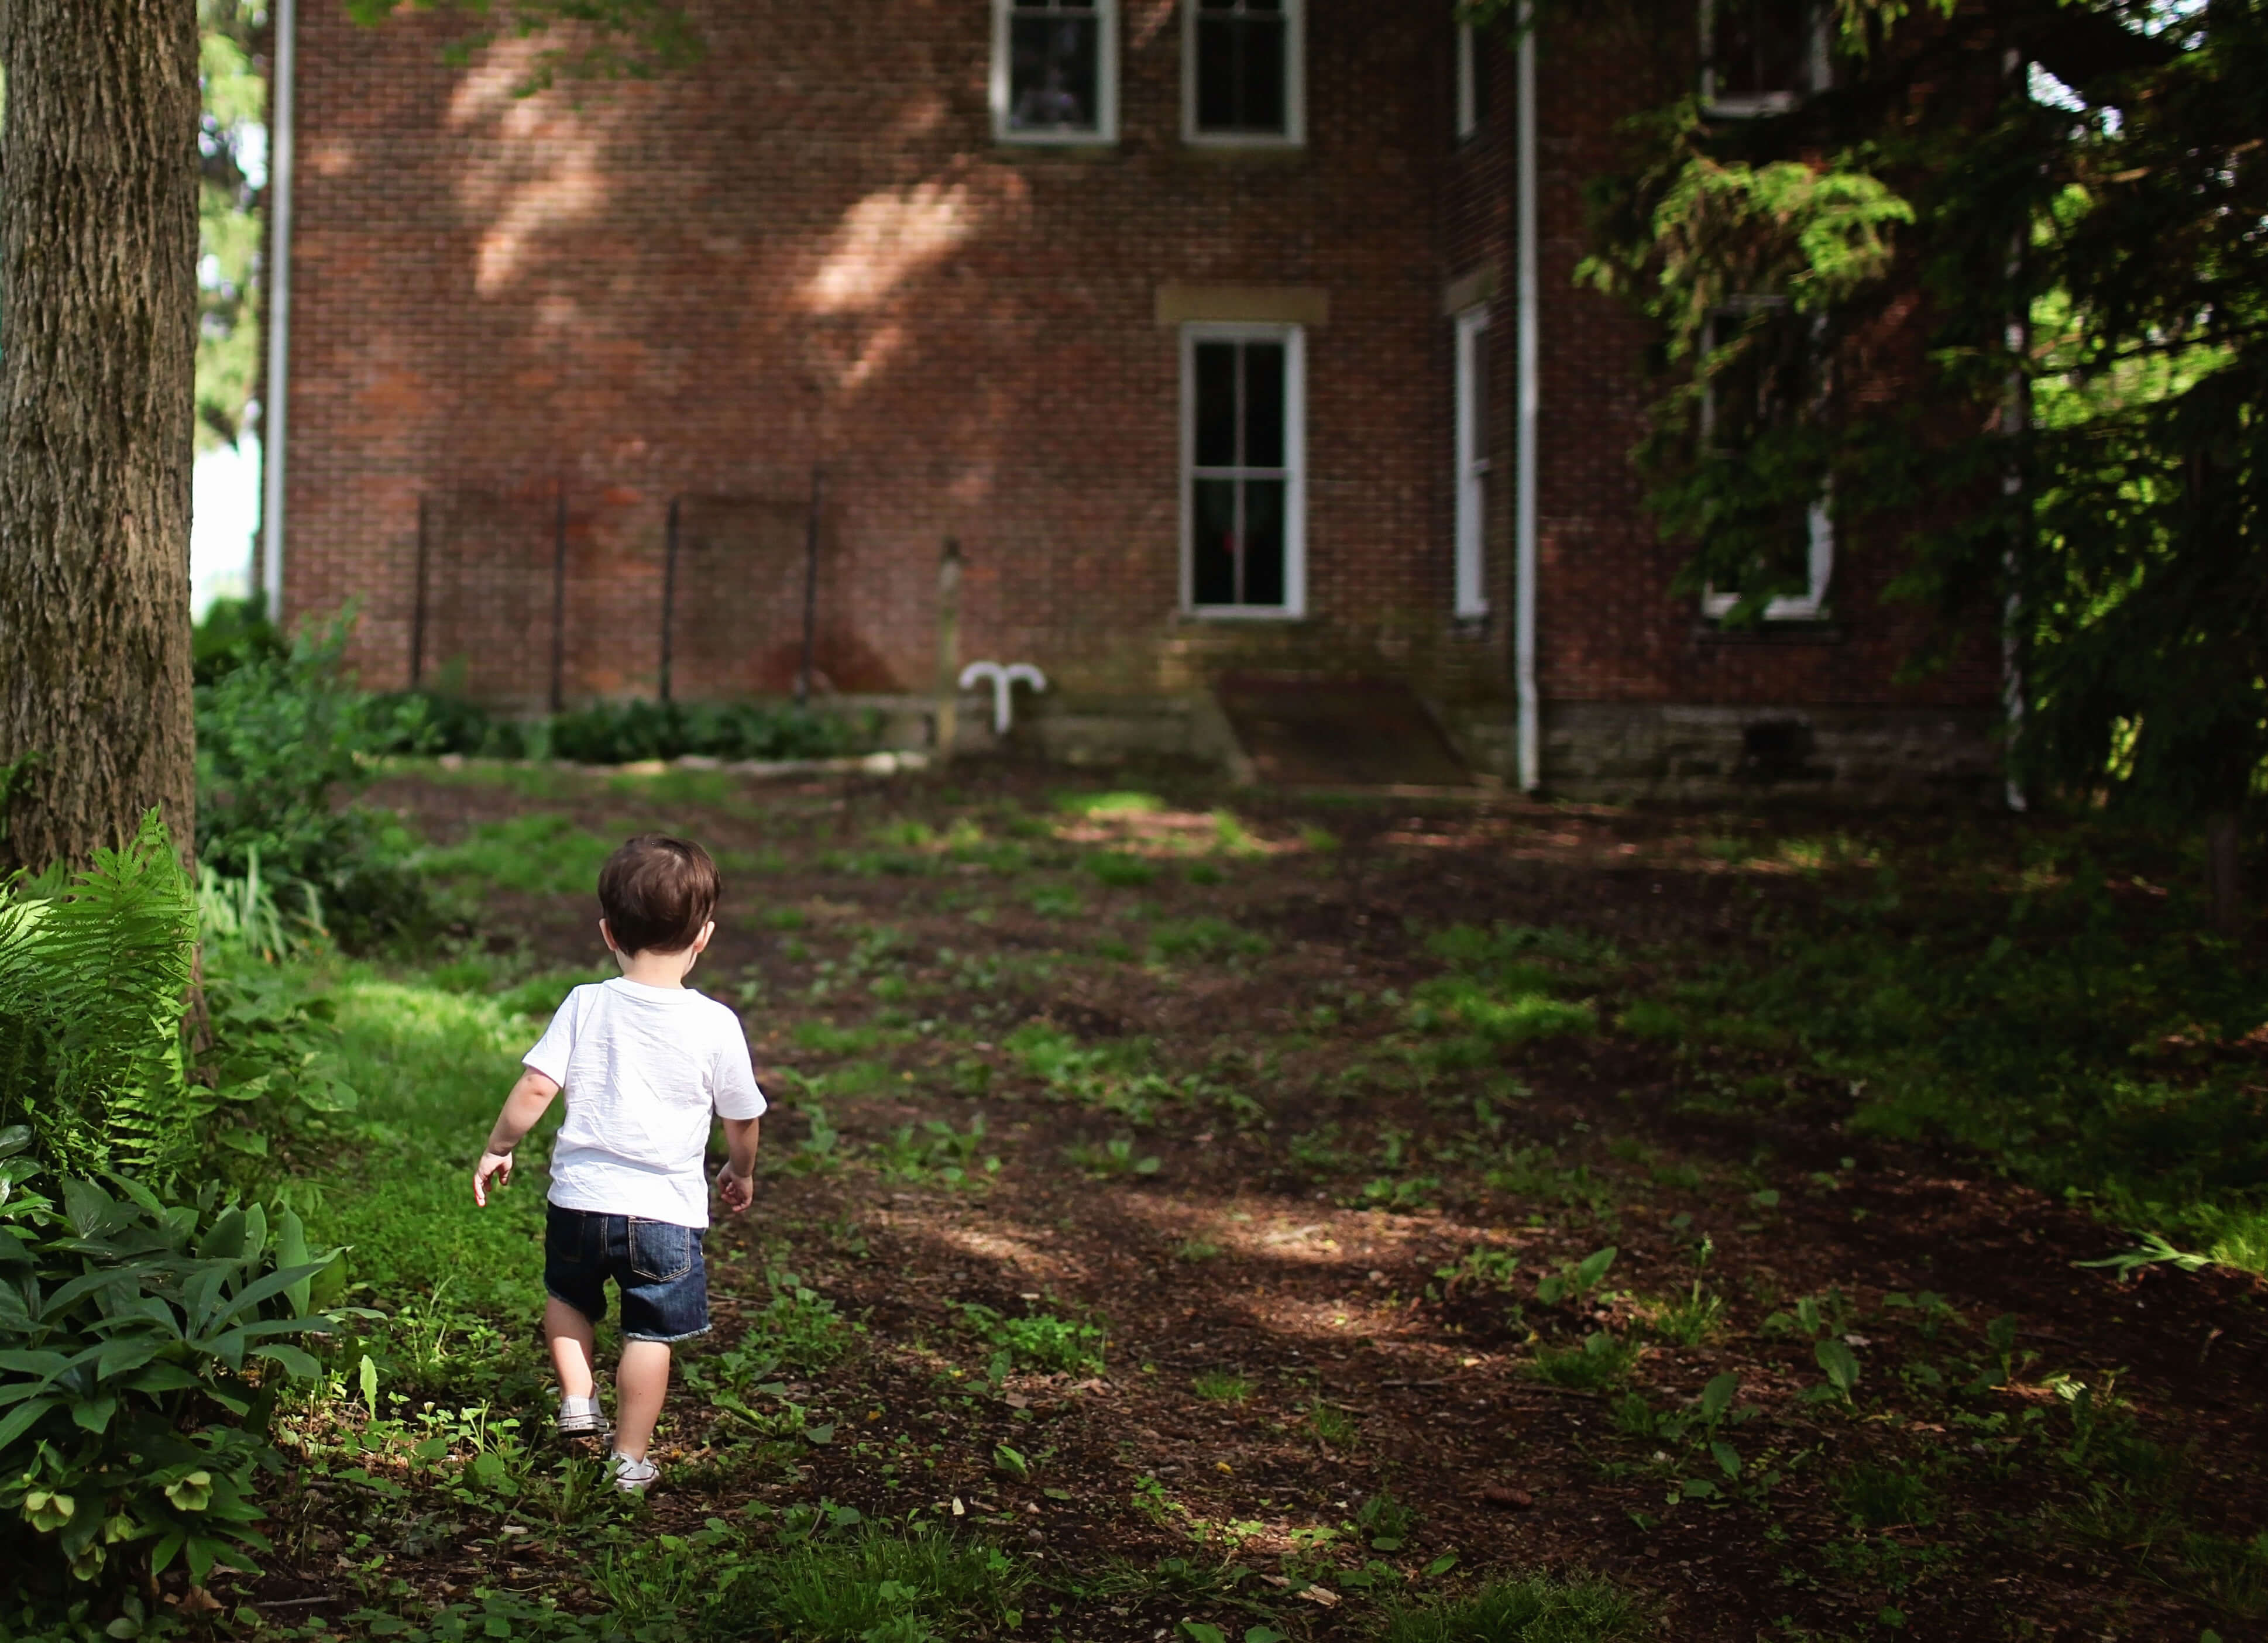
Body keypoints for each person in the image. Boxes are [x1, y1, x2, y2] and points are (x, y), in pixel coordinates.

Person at [472, 833, 764, 1495]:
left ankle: (578, 1399)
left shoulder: (586, 1002)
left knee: (568, 1299)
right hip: (664, 1215)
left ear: (609, 933)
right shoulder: (716, 1024)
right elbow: (742, 1118)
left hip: (579, 1200)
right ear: (704, 938)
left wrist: (499, 1146)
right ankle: (629, 1460)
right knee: (650, 1333)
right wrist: (740, 1170)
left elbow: (536, 1089)